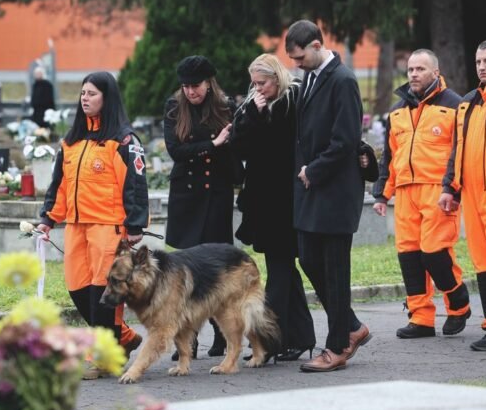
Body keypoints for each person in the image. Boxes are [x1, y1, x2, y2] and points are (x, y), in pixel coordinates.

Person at [36, 71, 149, 378]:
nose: (85, 98)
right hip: (76, 226)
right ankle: (122, 338)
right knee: (78, 290)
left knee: (104, 294)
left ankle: (103, 355)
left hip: (108, 227)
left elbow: (136, 184)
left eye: (92, 94)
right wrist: (48, 219)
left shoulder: (124, 140)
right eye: (83, 93)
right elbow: (58, 184)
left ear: (107, 98)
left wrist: (135, 224)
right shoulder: (71, 141)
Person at [285, 20, 372, 373]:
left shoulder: (343, 80)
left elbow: (345, 140)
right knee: (308, 258)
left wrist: (314, 170)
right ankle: (351, 326)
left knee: (336, 271)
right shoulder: (310, 78)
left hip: (334, 190)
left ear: (318, 45)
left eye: (300, 56)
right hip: (311, 190)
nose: (297, 63)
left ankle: (337, 347)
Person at [373, 49, 471, 339]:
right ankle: (421, 318)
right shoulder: (397, 109)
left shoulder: (456, 105)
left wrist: (452, 188)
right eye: (411, 69)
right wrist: (381, 194)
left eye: (420, 69)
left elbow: (461, 152)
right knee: (410, 256)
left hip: (438, 191)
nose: (414, 74)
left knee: (434, 252)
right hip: (405, 193)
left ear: (436, 72)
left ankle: (458, 301)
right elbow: (389, 156)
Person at [231, 54, 316, 362]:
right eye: (254, 83)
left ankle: (268, 339)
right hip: (262, 199)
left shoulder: (292, 102)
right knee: (284, 270)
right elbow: (240, 146)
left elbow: (281, 144)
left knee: (279, 273)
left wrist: (263, 115)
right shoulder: (253, 107)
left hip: (285, 199)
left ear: (277, 79)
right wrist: (253, 113)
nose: (258, 89)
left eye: (263, 83)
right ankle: (302, 336)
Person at [163, 55, 244, 359]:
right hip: (186, 198)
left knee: (214, 271)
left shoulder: (226, 108)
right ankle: (188, 339)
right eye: (185, 86)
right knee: (184, 272)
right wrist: (213, 143)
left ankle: (223, 336)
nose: (190, 92)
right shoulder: (174, 108)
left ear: (209, 83)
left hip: (216, 198)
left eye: (195, 85)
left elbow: (236, 149)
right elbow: (177, 151)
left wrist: (226, 142)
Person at [440, 39, 486, 351]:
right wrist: (449, 188)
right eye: (478, 61)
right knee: (484, 266)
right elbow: (458, 150)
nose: (482, 67)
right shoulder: (470, 102)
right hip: (473, 198)